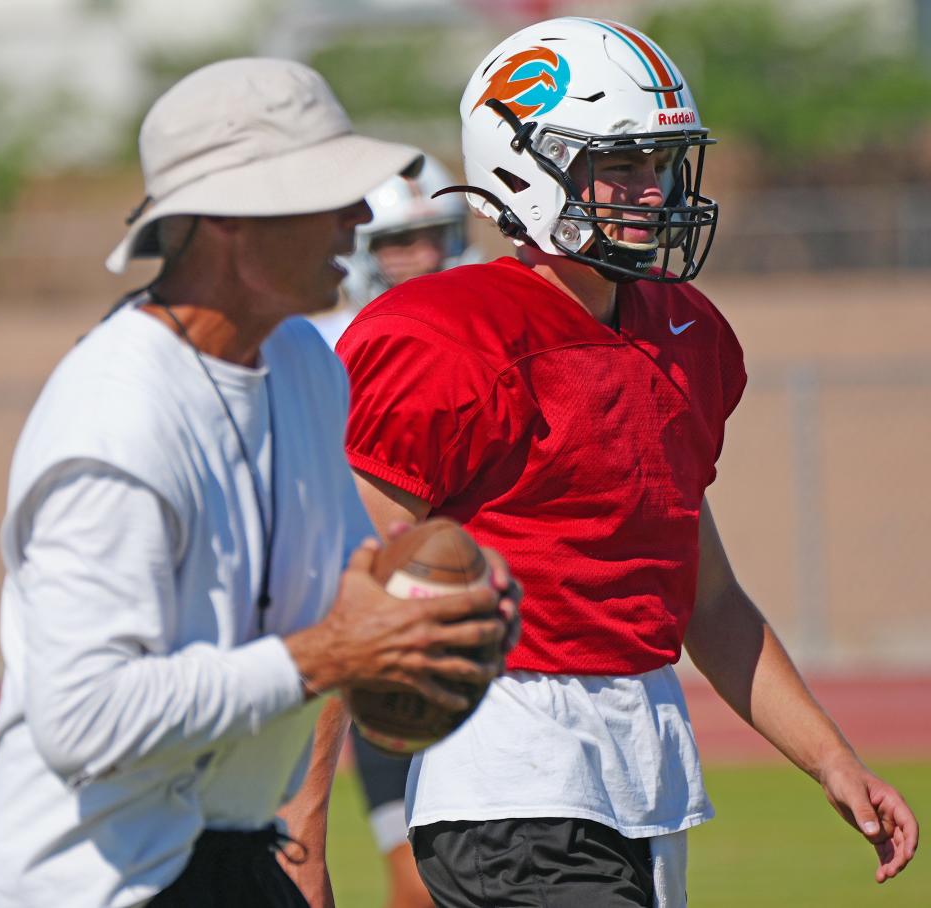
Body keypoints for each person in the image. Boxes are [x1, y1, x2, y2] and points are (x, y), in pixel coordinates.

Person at [334, 17, 919, 908]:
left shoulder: (685, 333)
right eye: (623, 165)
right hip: (505, 768)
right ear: (525, 165)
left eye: (661, 163)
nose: (654, 193)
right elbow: (349, 593)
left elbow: (706, 598)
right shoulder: (446, 334)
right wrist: (301, 825)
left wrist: (830, 756)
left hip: (644, 764)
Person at [0, 58, 511, 908]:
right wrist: (333, 652)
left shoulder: (303, 362)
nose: (361, 215)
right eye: (327, 191)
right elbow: (84, 719)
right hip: (89, 883)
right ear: (228, 221)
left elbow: (345, 587)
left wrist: (434, 598)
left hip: (230, 853)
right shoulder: (116, 412)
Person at [312, 153, 482, 908]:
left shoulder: (491, 326)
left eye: (430, 235)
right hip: (375, 624)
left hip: (479, 624)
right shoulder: (325, 344)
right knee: (413, 877)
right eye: (393, 243)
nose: (416, 256)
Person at [311, 153, 481, 351]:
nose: (429, 258)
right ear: (359, 250)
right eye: (402, 241)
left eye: (439, 236)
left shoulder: (488, 333)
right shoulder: (318, 351)